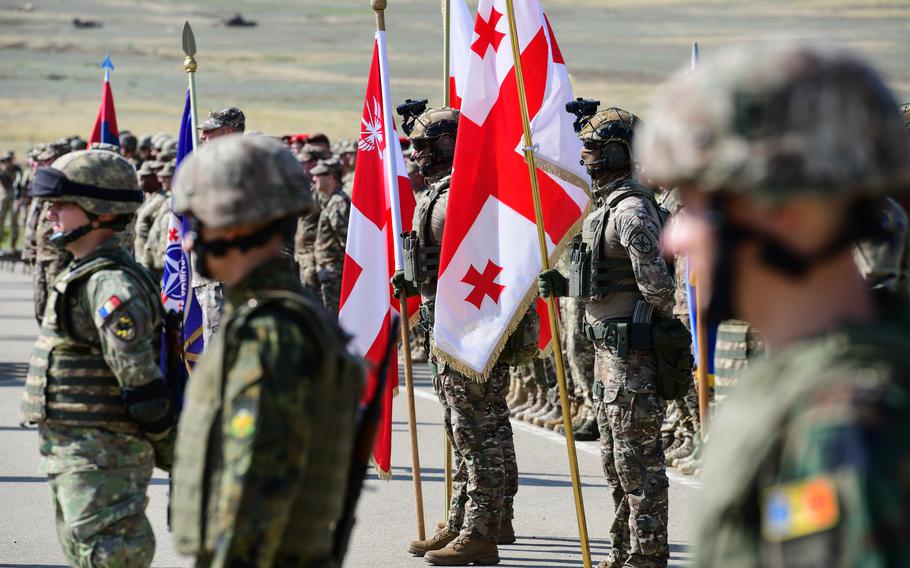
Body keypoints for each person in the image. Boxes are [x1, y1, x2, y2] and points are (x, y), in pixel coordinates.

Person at [638, 41, 910, 567]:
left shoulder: (852, 423)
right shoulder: (797, 384)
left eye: (695, 205)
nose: (673, 238)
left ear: (782, 210)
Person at [169, 134, 365, 567]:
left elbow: (254, 502)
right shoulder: (266, 318)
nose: (186, 242)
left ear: (233, 223)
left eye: (196, 223)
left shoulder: (271, 334)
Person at [394, 105, 537, 565]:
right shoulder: (442, 193)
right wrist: (412, 280)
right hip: (451, 324)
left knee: (476, 431)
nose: (417, 154)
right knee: (468, 429)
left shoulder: (464, 195)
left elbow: (482, 265)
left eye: (426, 144)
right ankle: (471, 518)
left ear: (451, 145)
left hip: (470, 329)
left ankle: (481, 531)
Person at [21, 148, 175, 567]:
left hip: (104, 456)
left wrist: (172, 450)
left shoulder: (109, 283)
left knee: (110, 557)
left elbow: (141, 383)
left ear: (101, 212)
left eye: (62, 205)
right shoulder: (85, 272)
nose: (50, 214)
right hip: (83, 455)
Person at [538, 106, 675, 568]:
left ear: (619, 151)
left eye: (594, 147)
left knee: (640, 466)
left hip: (631, 357)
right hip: (607, 356)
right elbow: (604, 278)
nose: (586, 154)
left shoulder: (633, 210)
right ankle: (623, 553)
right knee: (616, 465)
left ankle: (648, 556)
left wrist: (638, 326)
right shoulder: (606, 208)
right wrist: (566, 286)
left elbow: (658, 286)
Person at [312, 158, 350, 318]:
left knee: (334, 318)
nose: (314, 179)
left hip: (335, 272)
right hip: (330, 271)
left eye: (318, 175)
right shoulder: (332, 201)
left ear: (330, 178)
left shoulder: (338, 203)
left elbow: (345, 239)